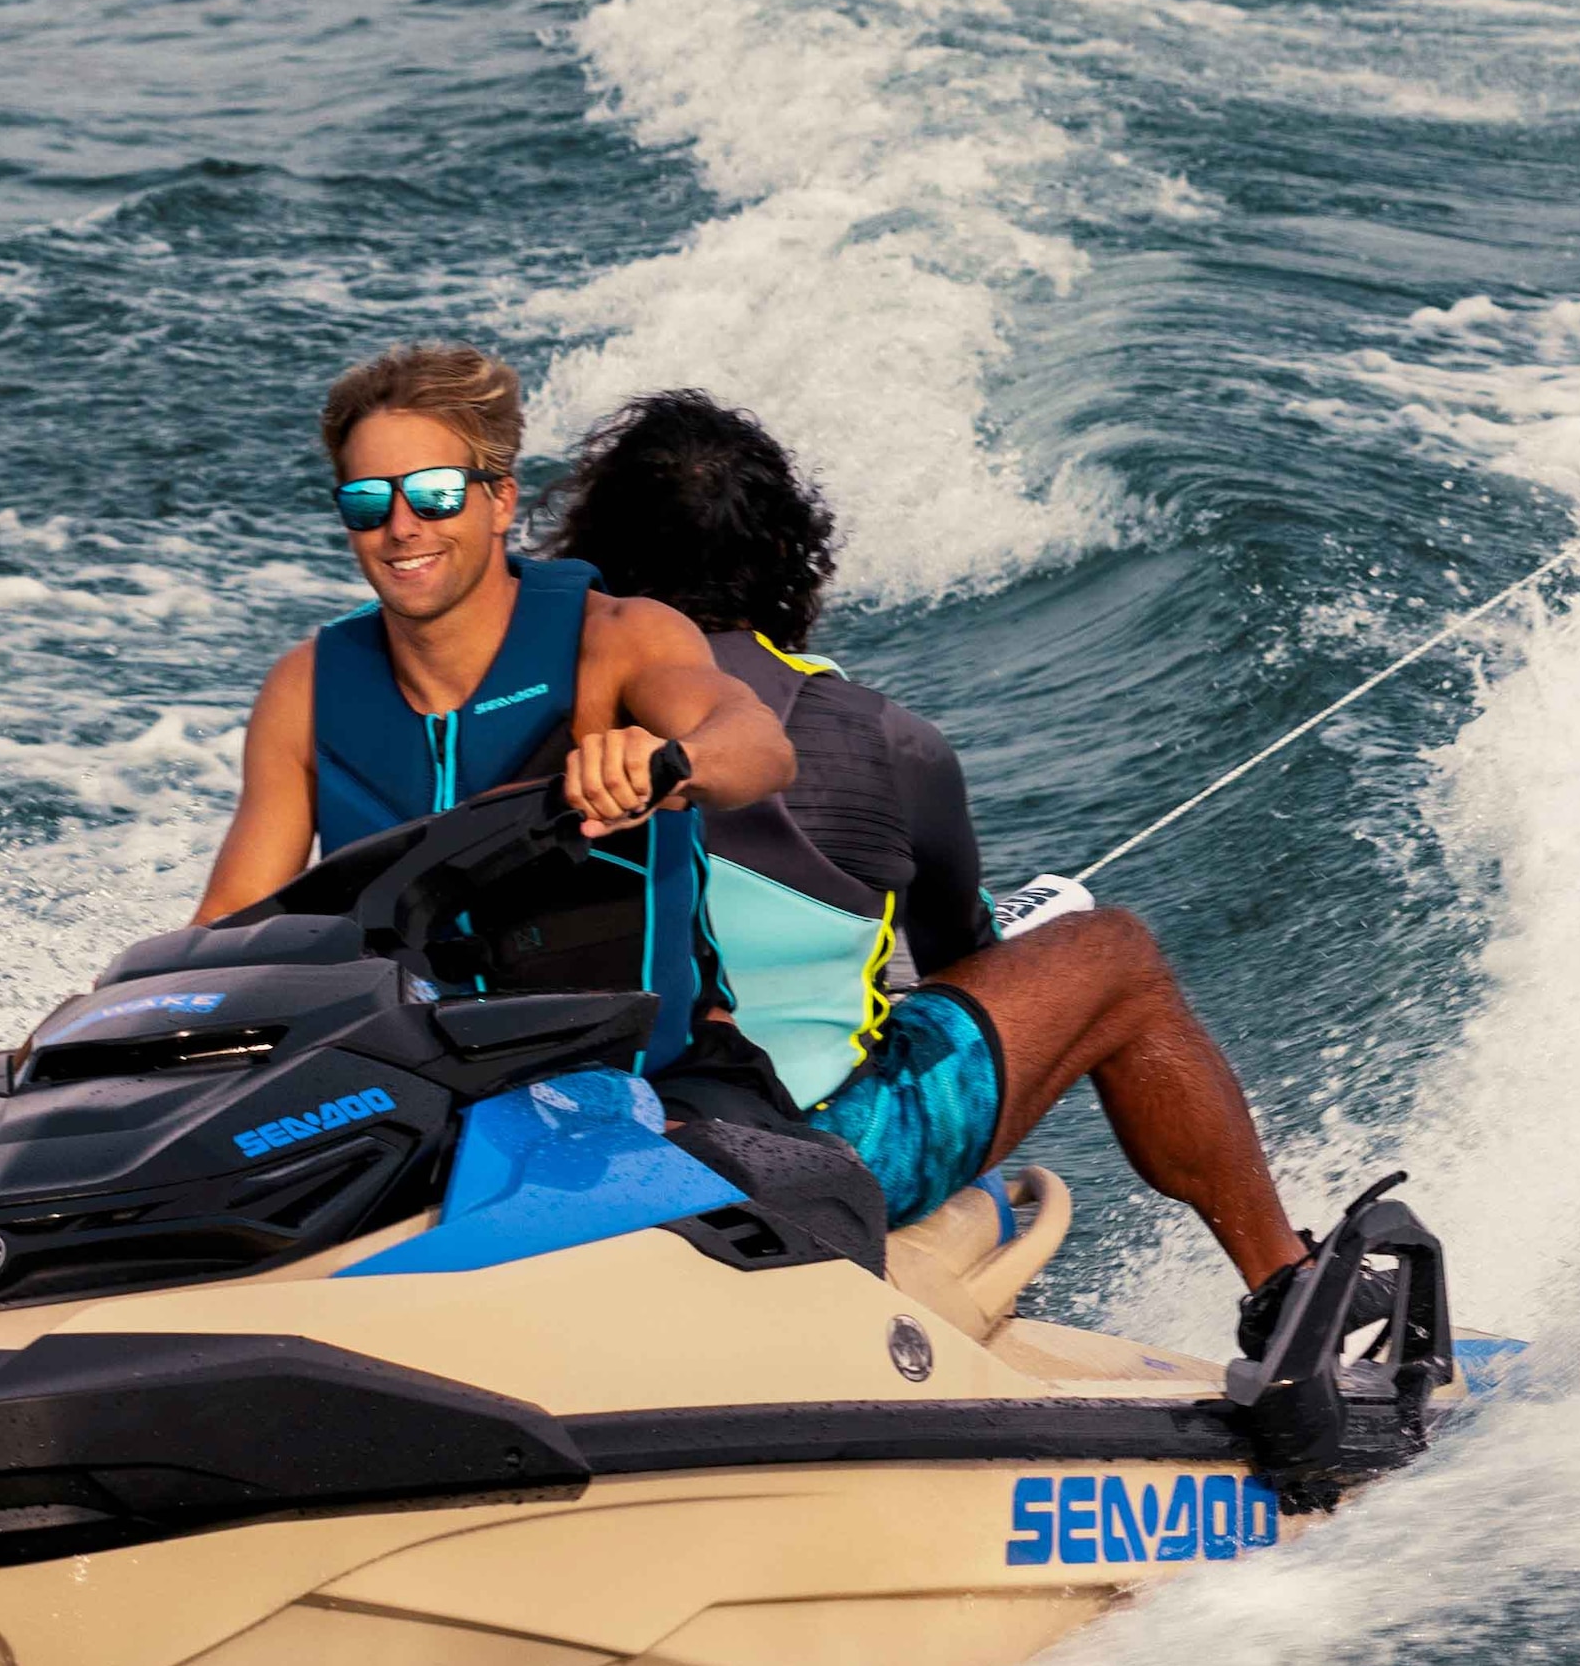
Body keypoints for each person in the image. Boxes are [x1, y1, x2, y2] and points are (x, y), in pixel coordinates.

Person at [536, 389, 1310, 1309]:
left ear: (588, 557)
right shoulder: (887, 743)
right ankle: (1293, 1291)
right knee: (1116, 957)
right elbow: (960, 962)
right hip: (812, 1152)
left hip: (576, 1140)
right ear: (788, 554)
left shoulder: (530, 725)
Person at [196, 343, 893, 1260]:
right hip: (411, 1106)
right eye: (370, 501)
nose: (403, 526)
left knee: (804, 1226)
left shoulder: (615, 640)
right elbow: (227, 931)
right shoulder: (308, 689)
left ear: (500, 500)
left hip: (657, 1082)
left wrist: (666, 760)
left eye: (436, 492)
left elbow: (756, 747)